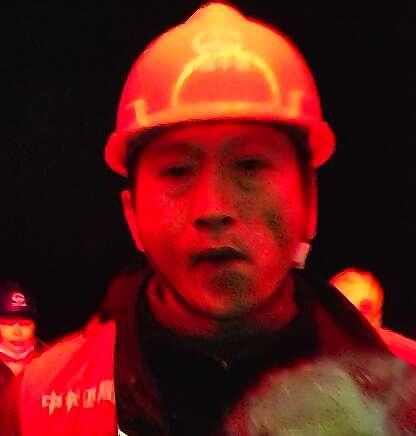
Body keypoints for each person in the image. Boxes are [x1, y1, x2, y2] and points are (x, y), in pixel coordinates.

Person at [2, 3, 416, 435]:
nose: (214, 208)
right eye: (177, 171)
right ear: (132, 214)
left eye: (250, 166)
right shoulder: (38, 407)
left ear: (310, 200)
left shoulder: (405, 398)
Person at [331, 267, 416, 365]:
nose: (354, 319)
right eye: (342, 305)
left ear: (377, 319)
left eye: (365, 308)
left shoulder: (396, 350)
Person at [0, 281, 42, 393]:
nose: (17, 332)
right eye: (9, 324)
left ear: (34, 326)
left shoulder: (53, 360)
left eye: (25, 324)